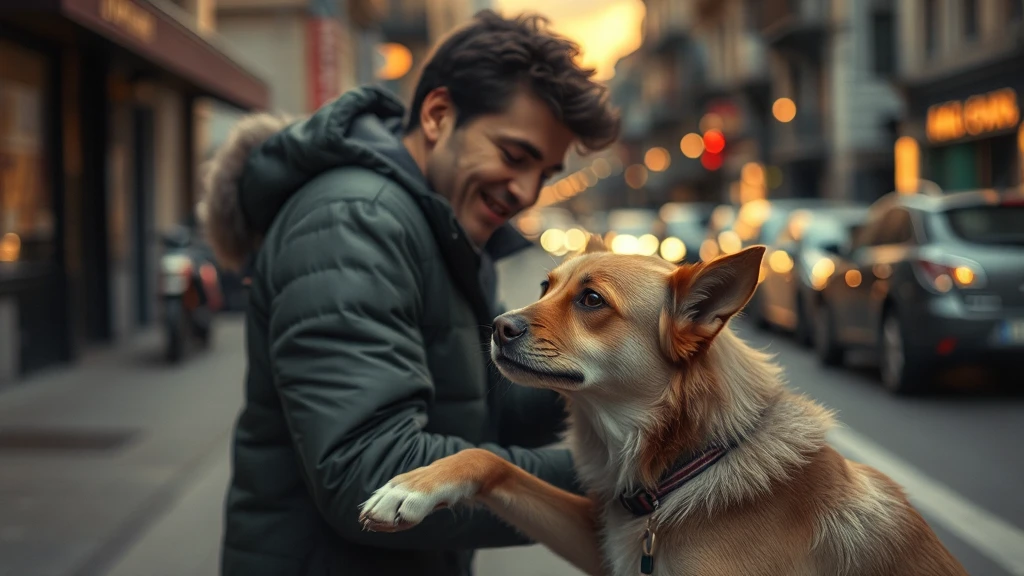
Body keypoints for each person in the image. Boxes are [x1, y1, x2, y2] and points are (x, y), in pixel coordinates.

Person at [201, 10, 620, 576]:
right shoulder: (356, 222)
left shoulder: (440, 222)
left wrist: (624, 369)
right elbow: (371, 473)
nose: (525, 191)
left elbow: (479, 407)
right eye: (514, 156)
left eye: (542, 173)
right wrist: (629, 473)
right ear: (438, 115)